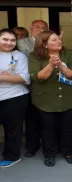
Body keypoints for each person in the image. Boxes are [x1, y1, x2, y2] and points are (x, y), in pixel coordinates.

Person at [28, 30, 72, 167]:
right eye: (54, 40)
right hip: (45, 100)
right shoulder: (34, 56)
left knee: (67, 127)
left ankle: (68, 152)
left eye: (58, 39)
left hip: (68, 98)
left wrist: (61, 65)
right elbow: (38, 77)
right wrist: (51, 65)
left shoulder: (67, 54)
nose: (59, 41)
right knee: (48, 128)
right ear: (44, 44)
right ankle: (50, 154)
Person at [17, 20, 48, 158]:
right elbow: (29, 57)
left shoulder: (51, 41)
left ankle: (49, 145)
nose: (40, 30)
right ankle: (32, 146)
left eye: (43, 28)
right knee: (32, 119)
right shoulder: (23, 42)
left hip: (48, 85)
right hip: (31, 86)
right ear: (31, 29)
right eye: (37, 27)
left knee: (47, 119)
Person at [0, 29, 30, 168]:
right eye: (5, 39)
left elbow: (23, 78)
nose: (9, 43)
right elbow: (15, 76)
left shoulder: (19, 56)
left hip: (15, 97)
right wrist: (9, 77)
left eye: (12, 40)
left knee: (12, 130)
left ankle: (12, 156)